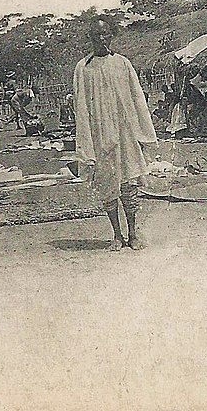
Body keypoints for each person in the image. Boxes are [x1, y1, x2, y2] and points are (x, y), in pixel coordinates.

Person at [73, 18, 157, 251]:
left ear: (111, 35)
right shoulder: (83, 68)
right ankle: (117, 235)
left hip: (125, 133)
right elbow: (81, 107)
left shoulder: (122, 63)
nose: (101, 38)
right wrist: (86, 142)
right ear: (90, 38)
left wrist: (142, 133)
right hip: (100, 134)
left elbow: (137, 99)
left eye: (105, 34)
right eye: (96, 35)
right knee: (108, 185)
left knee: (129, 184)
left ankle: (133, 233)